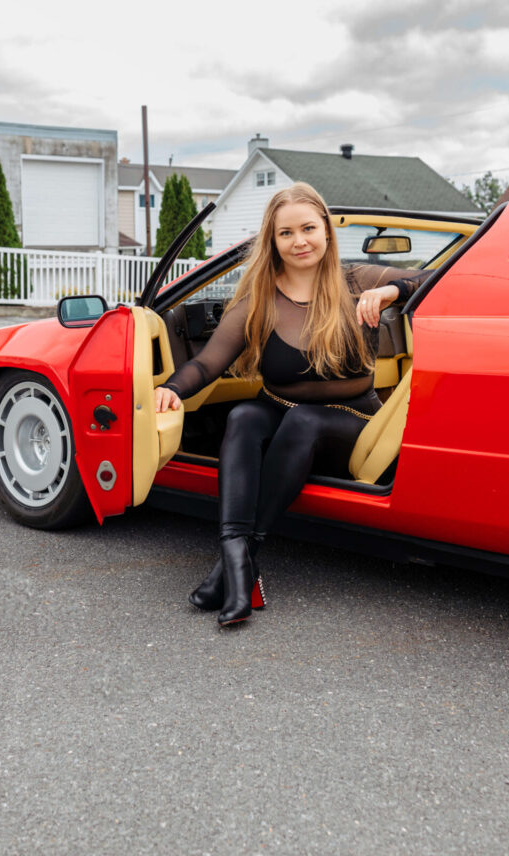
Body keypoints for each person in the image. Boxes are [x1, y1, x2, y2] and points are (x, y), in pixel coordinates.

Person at [154, 183, 427, 627]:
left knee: (302, 421)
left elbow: (442, 276)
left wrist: (394, 290)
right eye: (286, 233)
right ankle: (238, 563)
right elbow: (207, 364)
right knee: (242, 414)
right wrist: (170, 389)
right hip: (279, 406)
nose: (299, 241)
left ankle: (234, 568)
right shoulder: (260, 299)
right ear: (273, 240)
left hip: (353, 417)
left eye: (308, 228)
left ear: (325, 231)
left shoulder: (357, 280)